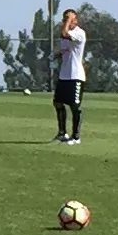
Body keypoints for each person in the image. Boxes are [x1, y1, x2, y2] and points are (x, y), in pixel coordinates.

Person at [53, 8, 86, 144]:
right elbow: (65, 49)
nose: (66, 21)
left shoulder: (79, 33)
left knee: (75, 106)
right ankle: (62, 133)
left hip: (75, 76)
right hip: (64, 75)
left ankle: (76, 136)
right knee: (58, 102)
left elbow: (65, 33)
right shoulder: (65, 36)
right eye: (65, 19)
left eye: (70, 19)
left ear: (75, 20)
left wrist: (68, 20)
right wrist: (56, 54)